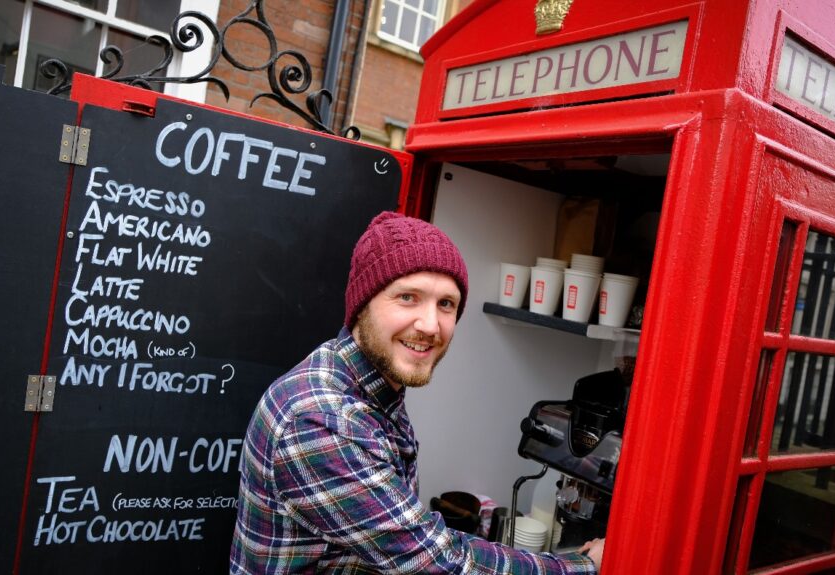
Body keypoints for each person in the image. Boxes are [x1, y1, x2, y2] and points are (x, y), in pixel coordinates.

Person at [230, 211, 605, 573]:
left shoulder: (371, 387)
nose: (430, 325)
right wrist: (585, 567)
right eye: (408, 297)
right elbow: (436, 563)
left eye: (446, 304)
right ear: (362, 305)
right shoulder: (321, 421)